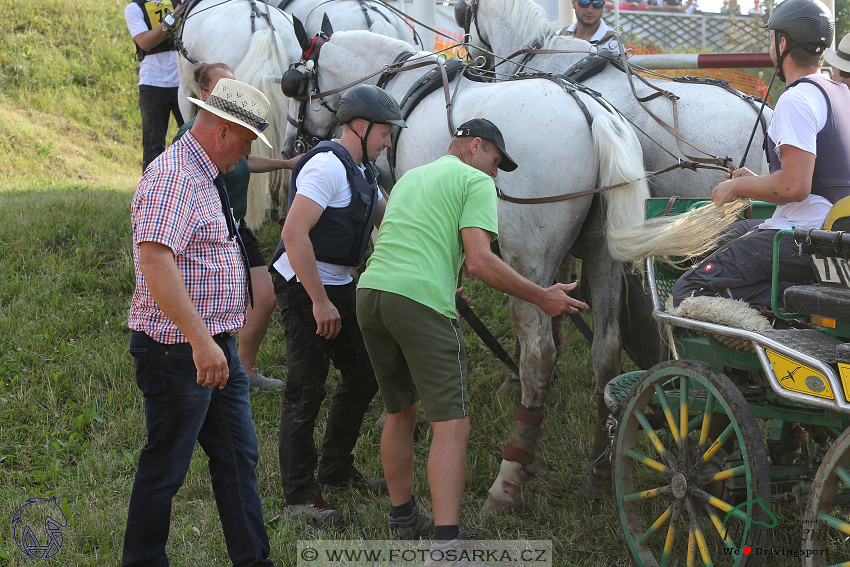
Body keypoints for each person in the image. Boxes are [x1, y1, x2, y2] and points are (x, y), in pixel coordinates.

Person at [356, 118, 587, 548]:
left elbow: (404, 237)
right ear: (474, 146)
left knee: (400, 411)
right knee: (452, 425)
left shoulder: (410, 178)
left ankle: (402, 517)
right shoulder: (474, 181)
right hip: (419, 303)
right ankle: (447, 546)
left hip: (371, 294)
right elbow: (480, 261)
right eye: (495, 161)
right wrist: (541, 296)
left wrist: (440, 274)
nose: (495, 173)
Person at [124, 78, 275, 567]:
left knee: (238, 459)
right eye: (248, 143)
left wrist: (214, 345)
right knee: (166, 466)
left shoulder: (202, 172)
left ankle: (253, 560)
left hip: (213, 348)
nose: (245, 156)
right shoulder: (175, 177)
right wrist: (200, 341)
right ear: (226, 131)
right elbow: (155, 259)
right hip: (180, 350)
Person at [269, 84, 405, 525]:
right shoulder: (327, 167)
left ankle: (335, 467)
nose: (389, 141)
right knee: (306, 388)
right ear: (361, 127)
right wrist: (320, 301)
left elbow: (391, 218)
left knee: (364, 376)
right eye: (385, 132)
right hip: (307, 288)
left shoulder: (364, 171)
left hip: (339, 287)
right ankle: (299, 498)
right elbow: (294, 235)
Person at [672, 0, 850, 309]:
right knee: (722, 238)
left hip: (808, 238)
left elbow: (795, 187)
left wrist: (737, 187)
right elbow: (819, 180)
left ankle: (801, 303)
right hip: (832, 232)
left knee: (689, 289)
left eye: (772, 39)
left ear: (783, 43)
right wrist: (758, 181)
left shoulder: (797, 99)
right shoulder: (840, 92)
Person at [173, 63, 302, 389]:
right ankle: (213, 364)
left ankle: (242, 370)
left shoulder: (233, 133)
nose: (234, 94)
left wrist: (286, 164)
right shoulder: (194, 137)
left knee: (263, 295)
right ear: (204, 96)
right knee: (234, 298)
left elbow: (245, 162)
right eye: (223, 89)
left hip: (236, 225)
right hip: (212, 228)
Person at [125, 0, 184, 172]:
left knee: (196, 141)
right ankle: (150, 196)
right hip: (153, 84)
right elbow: (144, 42)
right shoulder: (134, 8)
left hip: (184, 83)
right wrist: (173, 18)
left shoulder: (178, 2)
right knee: (154, 146)